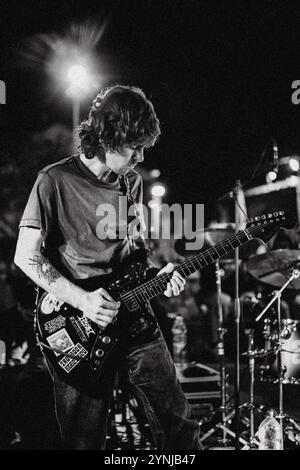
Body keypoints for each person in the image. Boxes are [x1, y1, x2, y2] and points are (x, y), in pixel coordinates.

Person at [14, 85, 201, 450]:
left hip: (133, 313)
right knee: (84, 439)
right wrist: (83, 300)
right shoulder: (53, 180)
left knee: (178, 424)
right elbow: (26, 256)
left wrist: (160, 277)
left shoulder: (131, 183)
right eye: (135, 146)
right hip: (75, 324)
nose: (141, 156)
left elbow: (132, 255)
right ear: (108, 135)